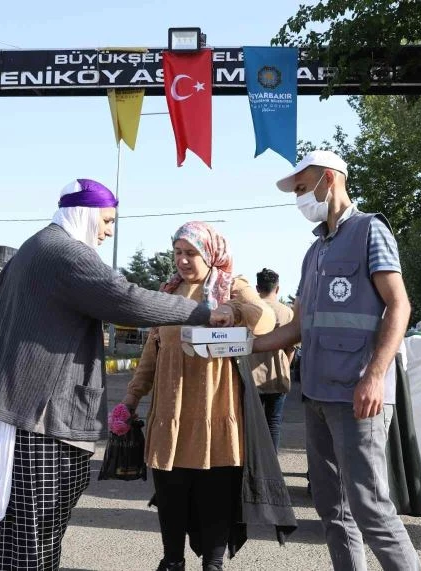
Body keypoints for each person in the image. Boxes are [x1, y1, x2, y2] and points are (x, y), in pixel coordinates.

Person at [0, 180, 233, 571]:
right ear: (85, 214)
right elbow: (124, 298)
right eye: (107, 221)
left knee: (12, 516)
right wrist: (202, 313)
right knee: (34, 520)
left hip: (13, 403)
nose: (108, 231)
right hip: (37, 413)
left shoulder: (34, 247)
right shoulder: (67, 253)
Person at [253, 150, 421, 570]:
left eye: (302, 187)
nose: (299, 198)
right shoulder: (315, 252)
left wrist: (375, 376)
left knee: (370, 508)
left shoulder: (370, 231)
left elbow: (399, 306)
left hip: (359, 392)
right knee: (333, 508)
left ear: (329, 179)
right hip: (317, 392)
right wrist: (241, 344)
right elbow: (298, 326)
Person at [121, 222, 294, 571]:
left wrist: (234, 310)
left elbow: (264, 318)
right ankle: (172, 562)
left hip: (216, 415)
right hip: (170, 415)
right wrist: (130, 399)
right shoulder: (167, 292)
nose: (183, 261)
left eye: (191, 253)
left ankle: (213, 564)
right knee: (171, 498)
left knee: (214, 498)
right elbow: (151, 355)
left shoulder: (233, 285)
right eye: (178, 252)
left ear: (210, 253)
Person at [246, 268, 294, 453]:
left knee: (251, 425)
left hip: (252, 377)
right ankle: (272, 462)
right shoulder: (287, 312)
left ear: (257, 287)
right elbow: (291, 348)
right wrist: (285, 366)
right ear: (278, 288)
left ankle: (253, 462)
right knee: (273, 422)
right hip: (277, 376)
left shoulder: (250, 311)